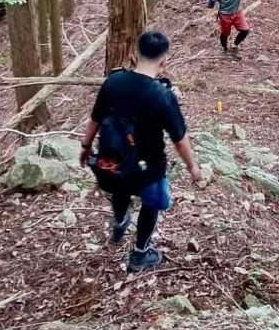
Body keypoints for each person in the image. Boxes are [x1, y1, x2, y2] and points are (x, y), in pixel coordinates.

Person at [79, 30, 201, 273]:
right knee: (151, 204)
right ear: (164, 61)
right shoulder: (162, 95)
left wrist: (85, 146)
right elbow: (179, 140)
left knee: (119, 189)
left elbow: (95, 118)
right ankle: (140, 254)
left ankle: (120, 221)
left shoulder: (113, 81)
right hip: (149, 166)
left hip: (112, 161)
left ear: (135, 55)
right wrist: (192, 167)